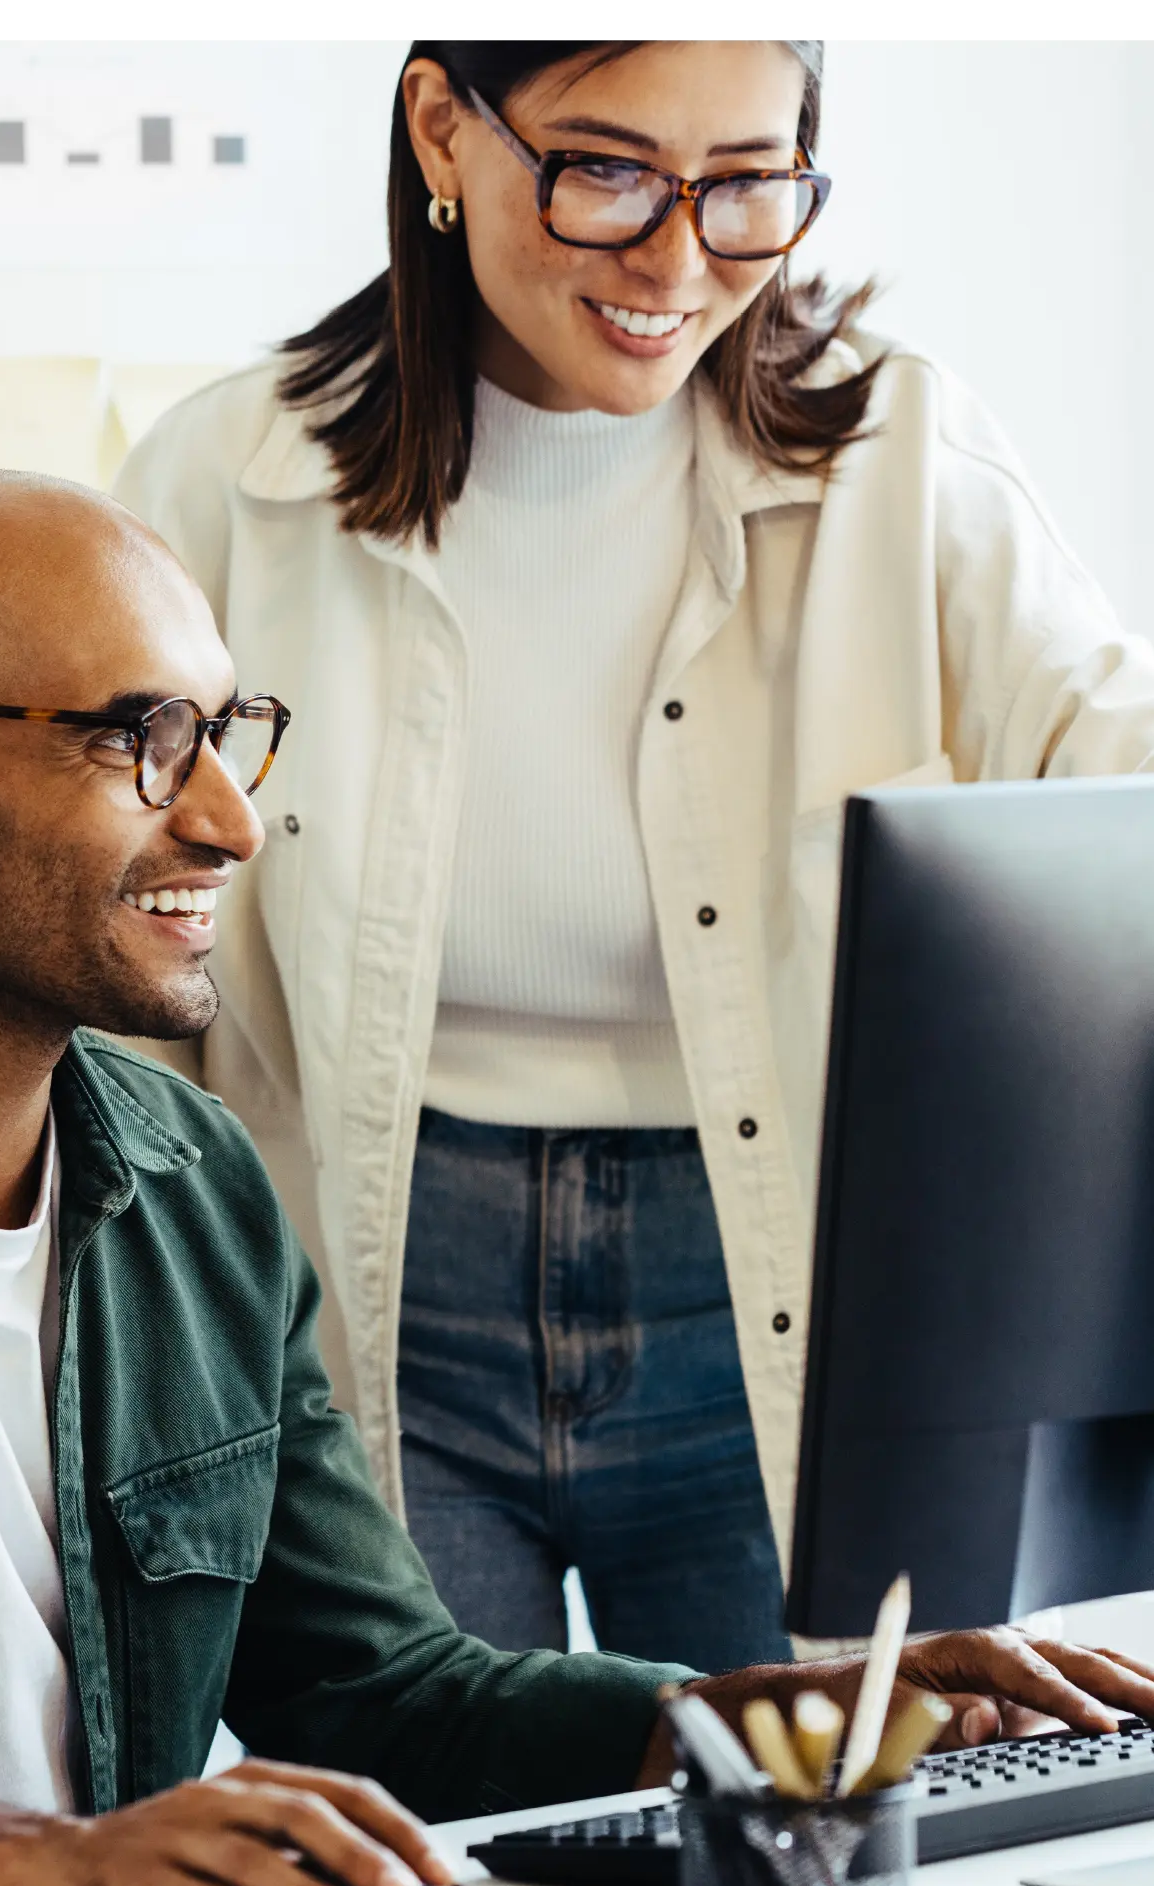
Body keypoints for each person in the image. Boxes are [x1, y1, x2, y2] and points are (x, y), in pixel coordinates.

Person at [0, 467, 1154, 1886]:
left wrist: (754, 1723)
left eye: (228, 733)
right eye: (142, 740)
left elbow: (386, 1690)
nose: (230, 822)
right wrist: (38, 1869)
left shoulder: (193, 1187)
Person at [114, 38, 1154, 1670]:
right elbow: (102, 942)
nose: (677, 261)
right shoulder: (229, 484)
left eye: (746, 184)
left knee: (805, 1846)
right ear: (443, 125)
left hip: (766, 1289)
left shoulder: (910, 465)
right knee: (470, 1855)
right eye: (604, 171)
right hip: (375, 1290)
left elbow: (1121, 840)